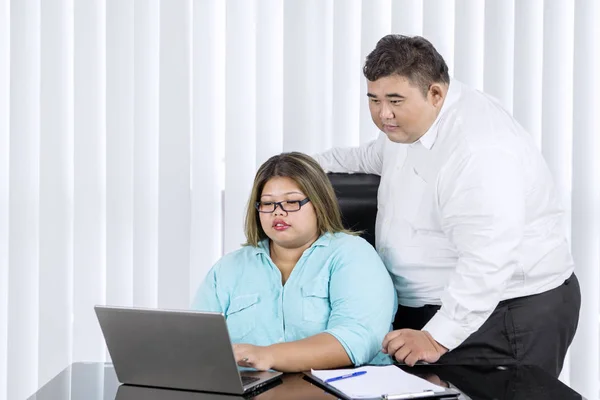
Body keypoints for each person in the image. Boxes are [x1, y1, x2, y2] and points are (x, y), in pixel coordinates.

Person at [314, 34, 580, 377]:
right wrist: (299, 165)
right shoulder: (410, 122)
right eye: (374, 99)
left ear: (436, 93)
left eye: (394, 100)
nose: (383, 114)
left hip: (506, 313)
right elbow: (371, 156)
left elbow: (488, 260)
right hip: (441, 309)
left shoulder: (478, 150)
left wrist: (438, 337)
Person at [192, 152, 396, 372]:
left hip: (332, 390)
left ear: (319, 203)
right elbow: (196, 341)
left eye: (292, 202)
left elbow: (357, 339)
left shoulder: (353, 255)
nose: (278, 212)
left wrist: (267, 355)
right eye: (268, 204)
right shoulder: (228, 268)